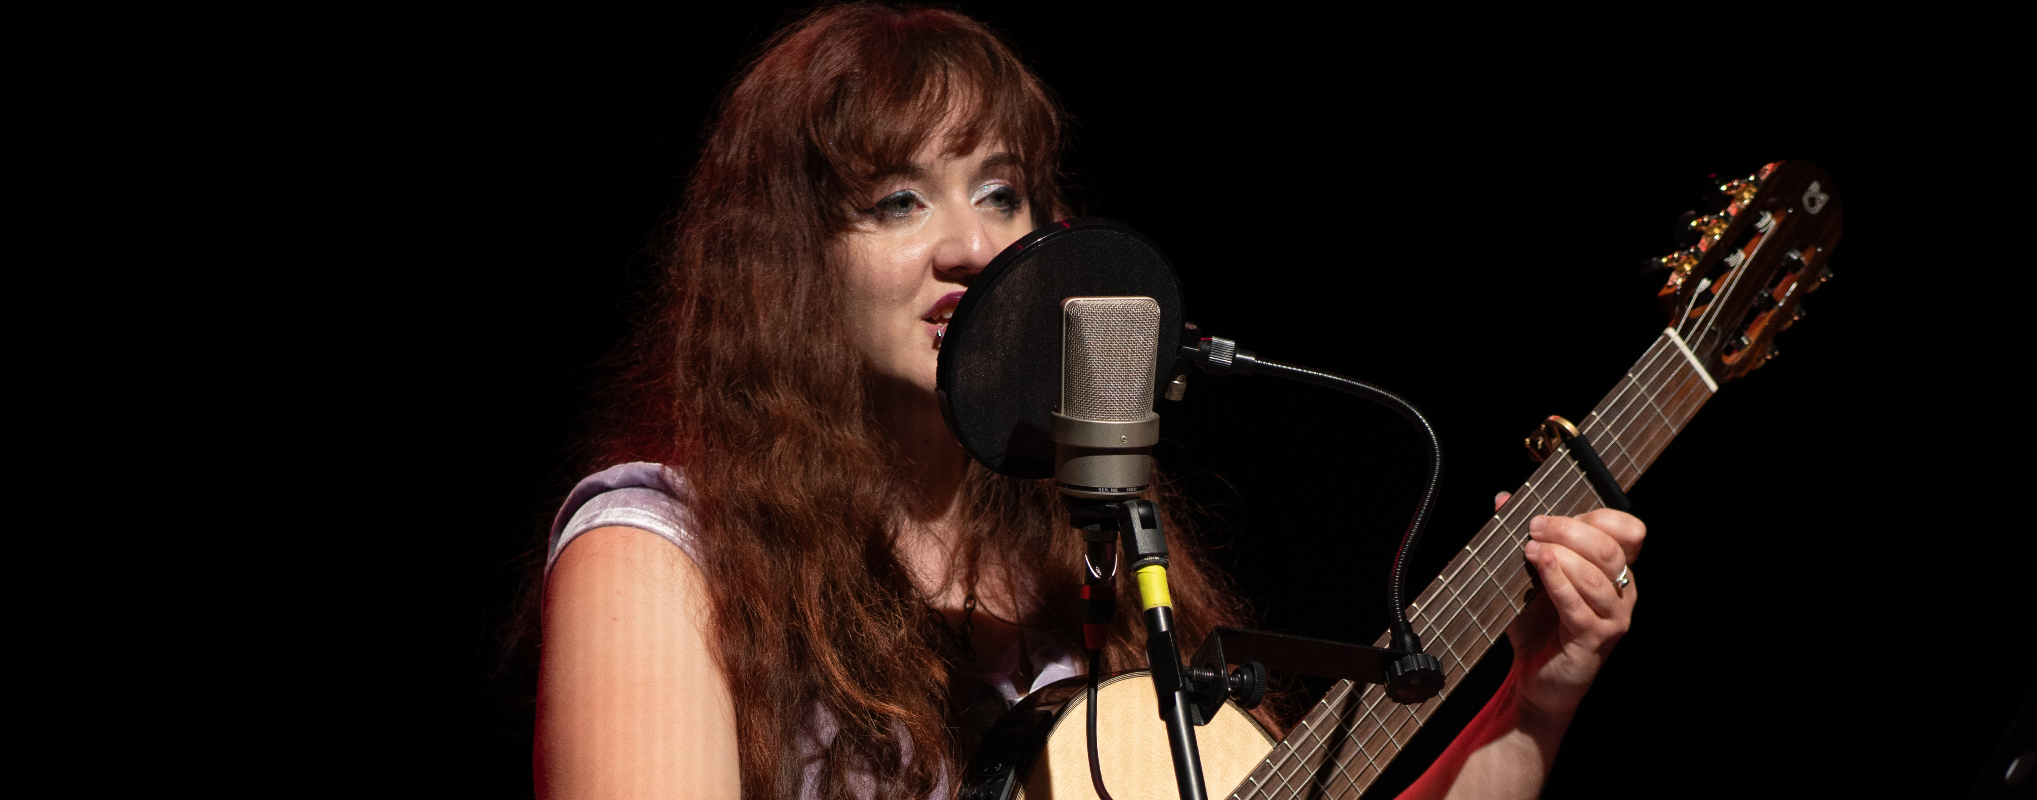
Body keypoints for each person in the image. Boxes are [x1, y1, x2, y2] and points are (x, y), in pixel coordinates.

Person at [533, 5, 1646, 799]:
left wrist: (1531, 698)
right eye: (899, 200)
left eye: (1002, 192)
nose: (972, 246)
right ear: (790, 262)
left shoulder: (1090, 535)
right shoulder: (664, 552)